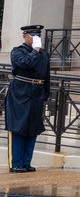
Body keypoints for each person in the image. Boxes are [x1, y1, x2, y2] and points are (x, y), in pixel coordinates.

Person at [6, 25, 51, 173]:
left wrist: (45, 93)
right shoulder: (17, 51)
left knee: (33, 128)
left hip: (36, 93)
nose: (36, 39)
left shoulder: (43, 54)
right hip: (20, 93)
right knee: (18, 127)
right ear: (25, 36)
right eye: (33, 36)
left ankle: (26, 162)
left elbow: (46, 75)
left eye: (38, 36)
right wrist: (35, 51)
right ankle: (16, 163)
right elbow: (26, 63)